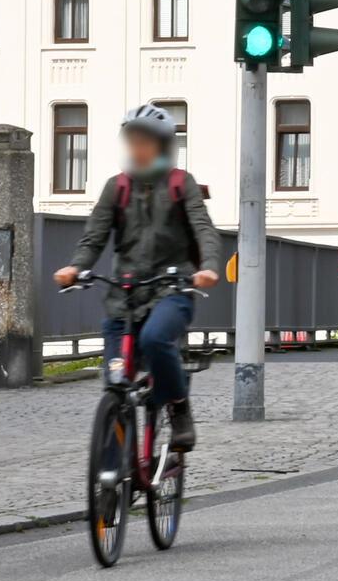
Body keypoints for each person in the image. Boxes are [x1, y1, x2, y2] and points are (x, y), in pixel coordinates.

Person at [55, 104, 222, 451]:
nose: (137, 148)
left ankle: (178, 408)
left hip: (171, 290)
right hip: (124, 296)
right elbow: (94, 237)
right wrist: (75, 267)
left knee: (156, 339)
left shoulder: (181, 183)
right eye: (132, 140)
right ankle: (110, 491)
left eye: (144, 141)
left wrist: (208, 267)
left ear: (162, 146)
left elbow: (203, 228)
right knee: (116, 383)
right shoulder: (116, 188)